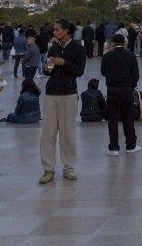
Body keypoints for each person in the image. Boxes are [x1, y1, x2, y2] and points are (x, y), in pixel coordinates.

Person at [39, 19, 87, 184]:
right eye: (54, 30)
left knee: (68, 132)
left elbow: (79, 71)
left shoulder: (78, 49)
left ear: (67, 31)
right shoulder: (53, 48)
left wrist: (64, 63)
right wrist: (48, 67)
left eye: (58, 30)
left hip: (68, 94)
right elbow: (48, 71)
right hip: (51, 93)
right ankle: (48, 169)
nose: (55, 32)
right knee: (48, 133)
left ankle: (68, 166)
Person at [100, 33, 140, 155]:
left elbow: (103, 72)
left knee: (112, 120)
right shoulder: (131, 56)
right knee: (128, 118)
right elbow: (136, 75)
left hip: (112, 91)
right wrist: (131, 86)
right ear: (124, 43)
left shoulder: (107, 57)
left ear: (112, 43)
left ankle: (113, 148)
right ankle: (131, 145)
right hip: (127, 91)